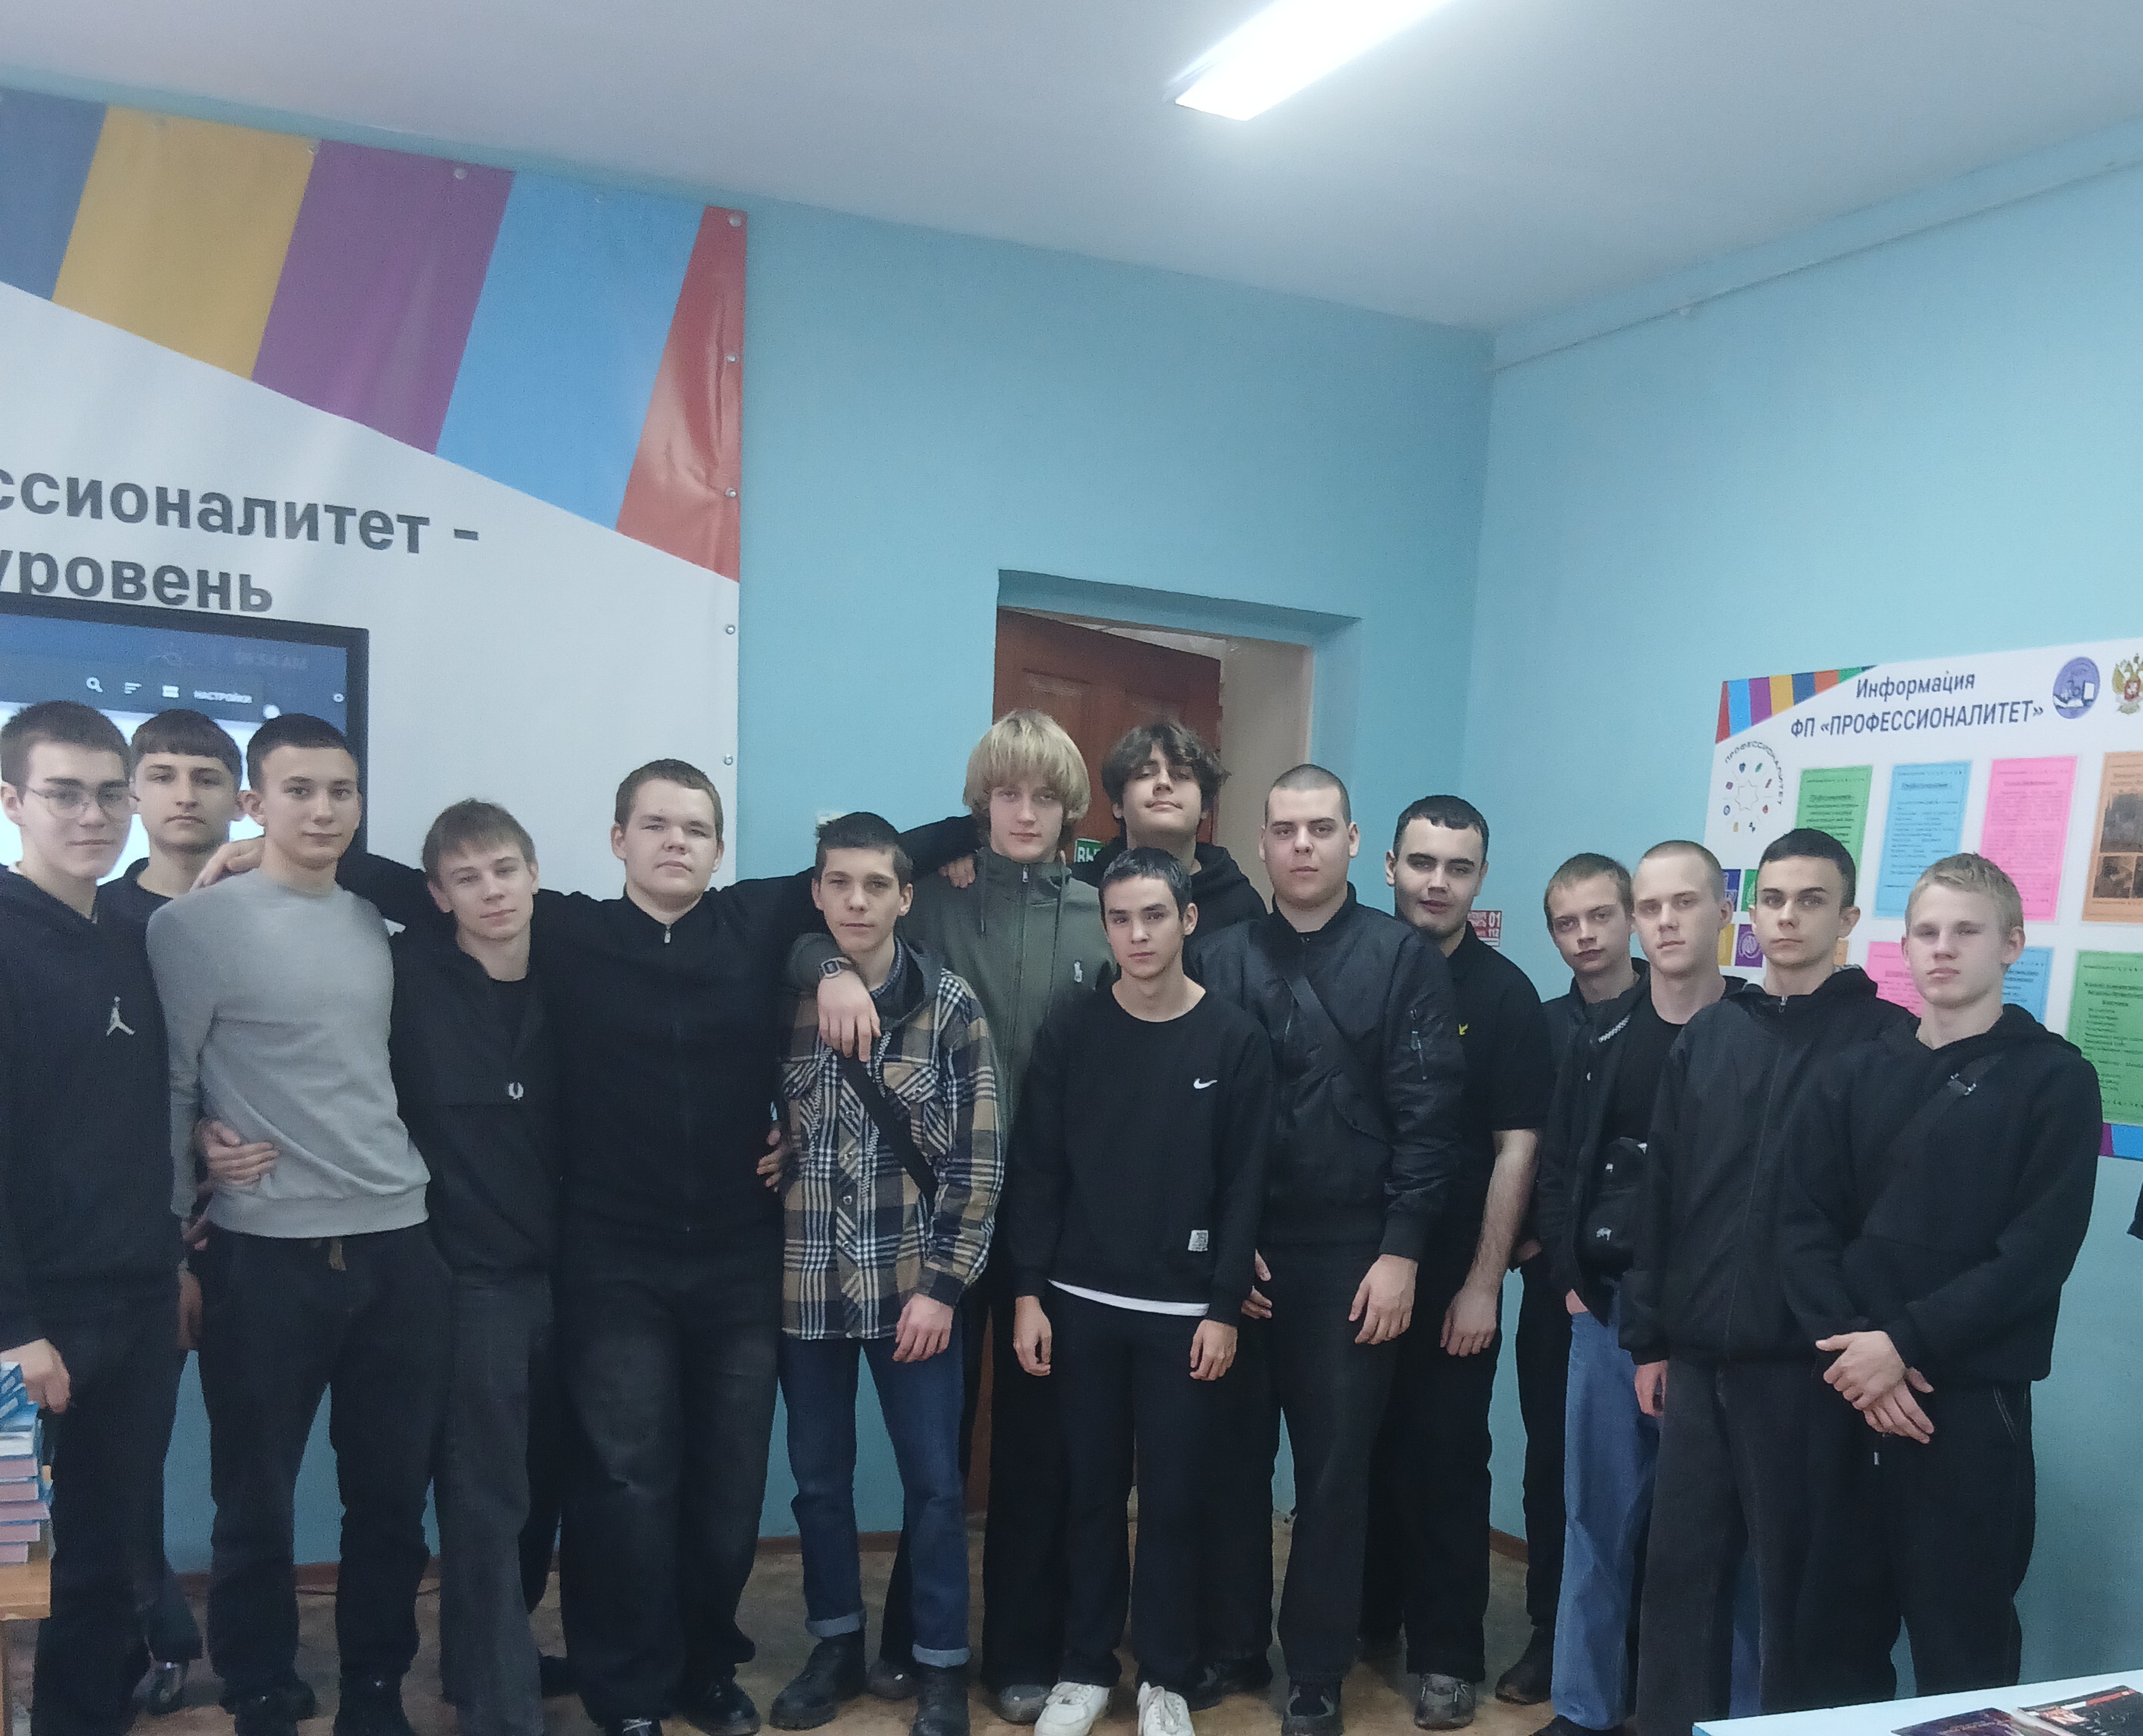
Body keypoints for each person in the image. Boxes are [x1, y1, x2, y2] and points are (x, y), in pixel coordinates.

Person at [211, 761, 971, 1736]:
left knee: (728, 1484)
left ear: (719, 848)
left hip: (739, 1259)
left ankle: (705, 1665)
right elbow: (431, 886)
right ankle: (628, 1690)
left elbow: (881, 854)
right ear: (618, 840)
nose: (674, 841)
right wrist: (292, 853)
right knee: (623, 1481)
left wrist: (968, 841)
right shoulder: (568, 930)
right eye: (654, 824)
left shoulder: (755, 920)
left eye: (694, 827)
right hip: (612, 1263)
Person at [795, 711, 1114, 1721]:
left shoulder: (1100, 911)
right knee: (935, 1443)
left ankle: (1017, 1646)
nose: (1023, 812)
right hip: (935, 1210)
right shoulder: (932, 897)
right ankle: (910, 1638)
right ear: (979, 803)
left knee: (1033, 1439)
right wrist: (825, 966)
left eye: (1044, 795)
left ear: (1069, 808)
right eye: (1005, 793)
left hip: (1055, 1214)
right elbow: (817, 930)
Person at [148, 713, 449, 1736]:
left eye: (341, 790)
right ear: (254, 802)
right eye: (299, 790)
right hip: (262, 1256)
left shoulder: (376, 920)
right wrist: (181, 1213)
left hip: (398, 1245)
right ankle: (258, 1683)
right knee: (256, 1497)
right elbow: (170, 1086)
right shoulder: (191, 928)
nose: (323, 809)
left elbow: (453, 898)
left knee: (390, 1497)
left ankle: (376, 1685)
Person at [1188, 765, 1467, 1736]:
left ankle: (1315, 1668)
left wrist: (1401, 1253)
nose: (1300, 845)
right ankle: (1231, 1643)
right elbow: (1191, 1126)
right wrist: (1223, 1254)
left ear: (1352, 842)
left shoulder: (1402, 958)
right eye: (1283, 829)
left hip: (1354, 1256)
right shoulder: (1216, 958)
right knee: (1229, 1465)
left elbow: (1431, 1118)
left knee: (1334, 1478)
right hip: (1242, 1258)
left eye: (1319, 828)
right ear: (1261, 843)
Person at [1783, 853, 2102, 1705]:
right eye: (1925, 931)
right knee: (1830, 1641)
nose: (1943, 948)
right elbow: (1800, 1227)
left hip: (1963, 1406)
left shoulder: (2055, 1080)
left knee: (1963, 1651)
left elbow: (2035, 1253)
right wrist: (1859, 1356)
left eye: (1966, 930)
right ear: (1904, 947)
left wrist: (1904, 1344)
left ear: (2012, 943)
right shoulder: (1854, 1073)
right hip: (1847, 1391)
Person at [1622, 828, 1912, 1736]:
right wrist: (1649, 1337)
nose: (1788, 917)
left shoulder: (1883, 1042)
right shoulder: (1712, 1034)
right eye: (1774, 899)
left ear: (1847, 916)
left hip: (1808, 1368)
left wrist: (1863, 1339)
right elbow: (1661, 1192)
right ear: (1750, 912)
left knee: (1803, 1600)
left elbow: (1889, 1218)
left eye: (1811, 900)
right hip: (1698, 1359)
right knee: (1679, 1583)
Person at [1005, 848, 1273, 1736]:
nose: (1137, 934)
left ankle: (1164, 1674)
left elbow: (1244, 1186)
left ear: (1187, 919)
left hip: (1183, 1315)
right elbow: (1037, 1168)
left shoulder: (1233, 1038)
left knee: (1173, 1501)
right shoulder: (1072, 1029)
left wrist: (1224, 1306)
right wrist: (1028, 1292)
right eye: (1119, 918)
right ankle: (1085, 1667)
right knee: (1088, 1493)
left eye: (1154, 915)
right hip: (1078, 1303)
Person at [765, 814, 1001, 1736]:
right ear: (816, 893)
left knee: (935, 1486)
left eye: (875, 884)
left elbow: (979, 1163)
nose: (855, 900)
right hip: (807, 1284)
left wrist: (944, 1288)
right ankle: (834, 1644)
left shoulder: (951, 1007)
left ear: (907, 896)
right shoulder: (784, 998)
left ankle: (940, 1663)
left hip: (914, 1288)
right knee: (818, 1482)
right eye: (838, 882)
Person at [1528, 840, 1747, 1736]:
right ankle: (1583, 1709)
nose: (1665, 923)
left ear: (1721, 909)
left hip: (1720, 1327)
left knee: (1730, 1537)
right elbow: (1560, 1164)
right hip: (1609, 1314)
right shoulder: (1602, 1038)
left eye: (1682, 903)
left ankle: (1729, 1717)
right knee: (1597, 1521)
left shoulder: (1754, 1033)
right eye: (1651, 907)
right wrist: (1571, 1281)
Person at [0, 701, 184, 1736]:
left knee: (107, 1561)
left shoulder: (131, 936)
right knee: (8, 1567)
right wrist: (14, 1326)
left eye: (111, 794)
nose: (92, 814)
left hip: (138, 1304)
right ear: (12, 801)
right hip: (27, 1325)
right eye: (64, 793)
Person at [1361, 796, 1555, 1728]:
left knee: (1444, 1459)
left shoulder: (1505, 996)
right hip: (1350, 1265)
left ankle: (1445, 1653)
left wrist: (1483, 1283)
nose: (1436, 882)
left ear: (1479, 878)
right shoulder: (1354, 962)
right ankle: (1363, 1620)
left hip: (1451, 1277)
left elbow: (1517, 1148)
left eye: (1458, 867)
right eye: (1421, 861)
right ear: (1388, 864)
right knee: (1353, 1455)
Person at [385, 800, 565, 1736]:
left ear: (534, 874)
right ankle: (501, 1706)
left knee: (545, 1488)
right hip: (470, 1277)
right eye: (466, 878)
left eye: (503, 870)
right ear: (436, 894)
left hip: (577, 1272)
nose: (491, 891)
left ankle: (485, 1658)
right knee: (485, 1494)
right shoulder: (404, 977)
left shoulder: (575, 970)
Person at [94, 708, 242, 1712]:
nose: (184, 793)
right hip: (137, 1235)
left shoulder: (269, 907)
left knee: (251, 1450)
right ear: (135, 792)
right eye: (163, 774)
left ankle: (249, 1648)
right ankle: (155, 1630)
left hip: (258, 1225)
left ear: (240, 796)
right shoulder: (92, 917)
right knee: (125, 1458)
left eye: (205, 775)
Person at [1071, 722, 1266, 931]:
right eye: (1145, 774)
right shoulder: (1076, 892)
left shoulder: (1242, 906)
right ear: (1118, 805)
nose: (1163, 783)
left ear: (1205, 806)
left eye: (1181, 775)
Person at [96, 708, 244, 931]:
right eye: (162, 778)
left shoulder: (278, 906)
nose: (186, 798)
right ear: (131, 797)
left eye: (207, 781)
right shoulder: (92, 914)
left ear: (239, 804)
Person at [1538, 854, 1642, 1059]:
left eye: (1600, 916)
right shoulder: (1540, 1025)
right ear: (1553, 936)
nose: (1585, 935)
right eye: (1567, 924)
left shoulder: (1671, 1016)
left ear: (1632, 917)